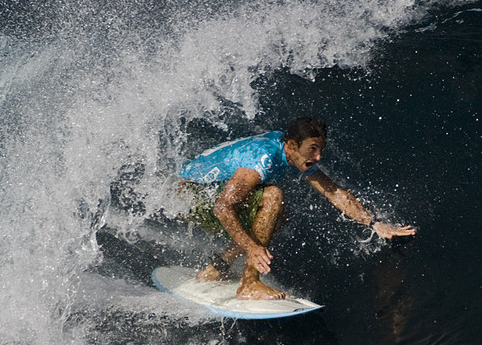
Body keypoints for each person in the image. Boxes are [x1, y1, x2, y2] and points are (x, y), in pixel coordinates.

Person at [177, 116, 415, 300]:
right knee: (273, 197)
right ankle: (249, 284)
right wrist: (252, 248)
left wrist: (374, 224)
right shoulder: (263, 159)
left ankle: (216, 268)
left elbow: (333, 192)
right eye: (313, 148)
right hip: (188, 197)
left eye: (320, 150)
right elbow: (222, 207)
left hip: (203, 193)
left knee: (277, 216)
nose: (318, 157)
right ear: (292, 144)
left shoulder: (289, 151)